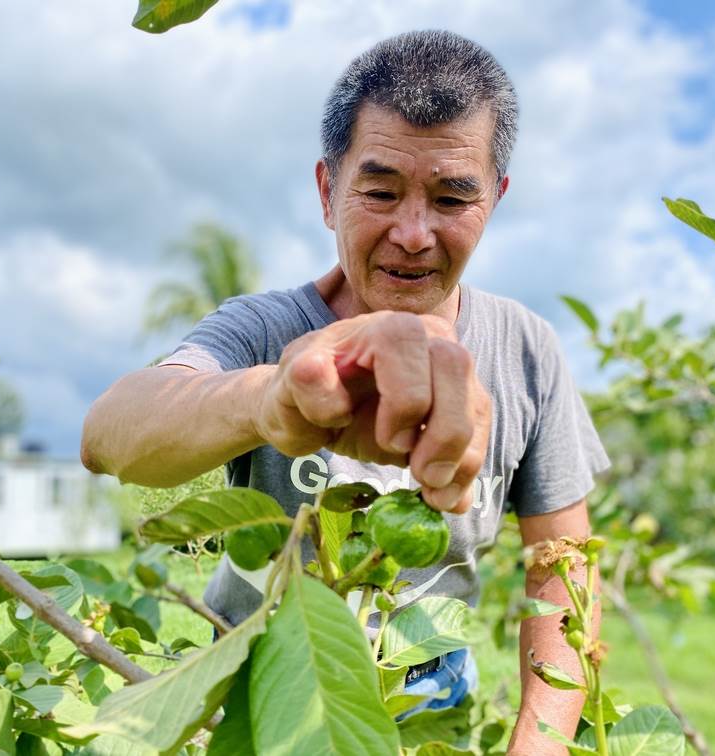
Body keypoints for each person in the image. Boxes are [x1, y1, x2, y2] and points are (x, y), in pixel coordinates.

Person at [81, 29, 609, 754]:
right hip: (256, 685)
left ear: (494, 199)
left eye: (453, 197)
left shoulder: (528, 350)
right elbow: (109, 436)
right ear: (329, 192)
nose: (414, 234)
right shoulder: (264, 329)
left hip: (429, 700)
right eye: (381, 192)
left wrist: (539, 745)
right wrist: (266, 399)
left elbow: (564, 566)